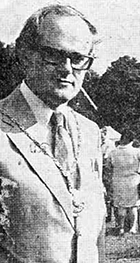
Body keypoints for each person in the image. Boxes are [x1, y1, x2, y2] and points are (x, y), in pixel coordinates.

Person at [0, 4, 106, 262]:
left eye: (79, 59)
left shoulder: (90, 133)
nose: (67, 69)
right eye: (54, 55)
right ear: (24, 55)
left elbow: (95, 238)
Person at [107, 129, 140, 235]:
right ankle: (132, 228)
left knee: (120, 205)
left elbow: (108, 165)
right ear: (131, 141)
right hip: (133, 180)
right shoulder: (136, 151)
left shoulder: (113, 152)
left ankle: (121, 227)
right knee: (133, 205)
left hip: (118, 180)